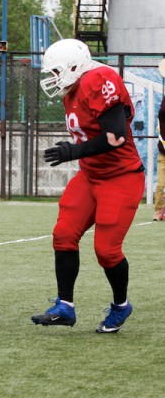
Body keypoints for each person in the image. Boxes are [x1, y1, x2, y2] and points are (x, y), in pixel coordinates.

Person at [31, 39, 144, 333]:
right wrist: (76, 154)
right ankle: (64, 307)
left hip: (121, 177)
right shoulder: (74, 89)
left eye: (57, 71)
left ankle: (121, 306)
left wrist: (71, 151)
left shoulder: (99, 79)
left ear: (73, 66)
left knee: (107, 251)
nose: (53, 78)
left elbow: (116, 136)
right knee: (64, 234)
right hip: (91, 176)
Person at [153, 95, 165, 221]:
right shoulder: (162, 119)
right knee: (160, 185)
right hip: (163, 156)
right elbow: (162, 111)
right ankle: (157, 211)